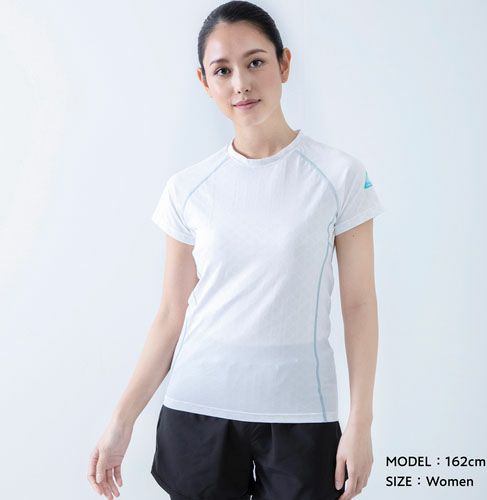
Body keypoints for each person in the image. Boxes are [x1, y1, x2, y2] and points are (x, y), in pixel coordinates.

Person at [87, 1, 385, 499]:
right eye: (222, 70)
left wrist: (361, 422)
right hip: (197, 410)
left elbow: (359, 304)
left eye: (255, 62)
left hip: (301, 414)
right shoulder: (188, 188)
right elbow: (171, 314)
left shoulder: (340, 177)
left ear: (284, 64)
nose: (241, 83)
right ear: (205, 82)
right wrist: (121, 420)